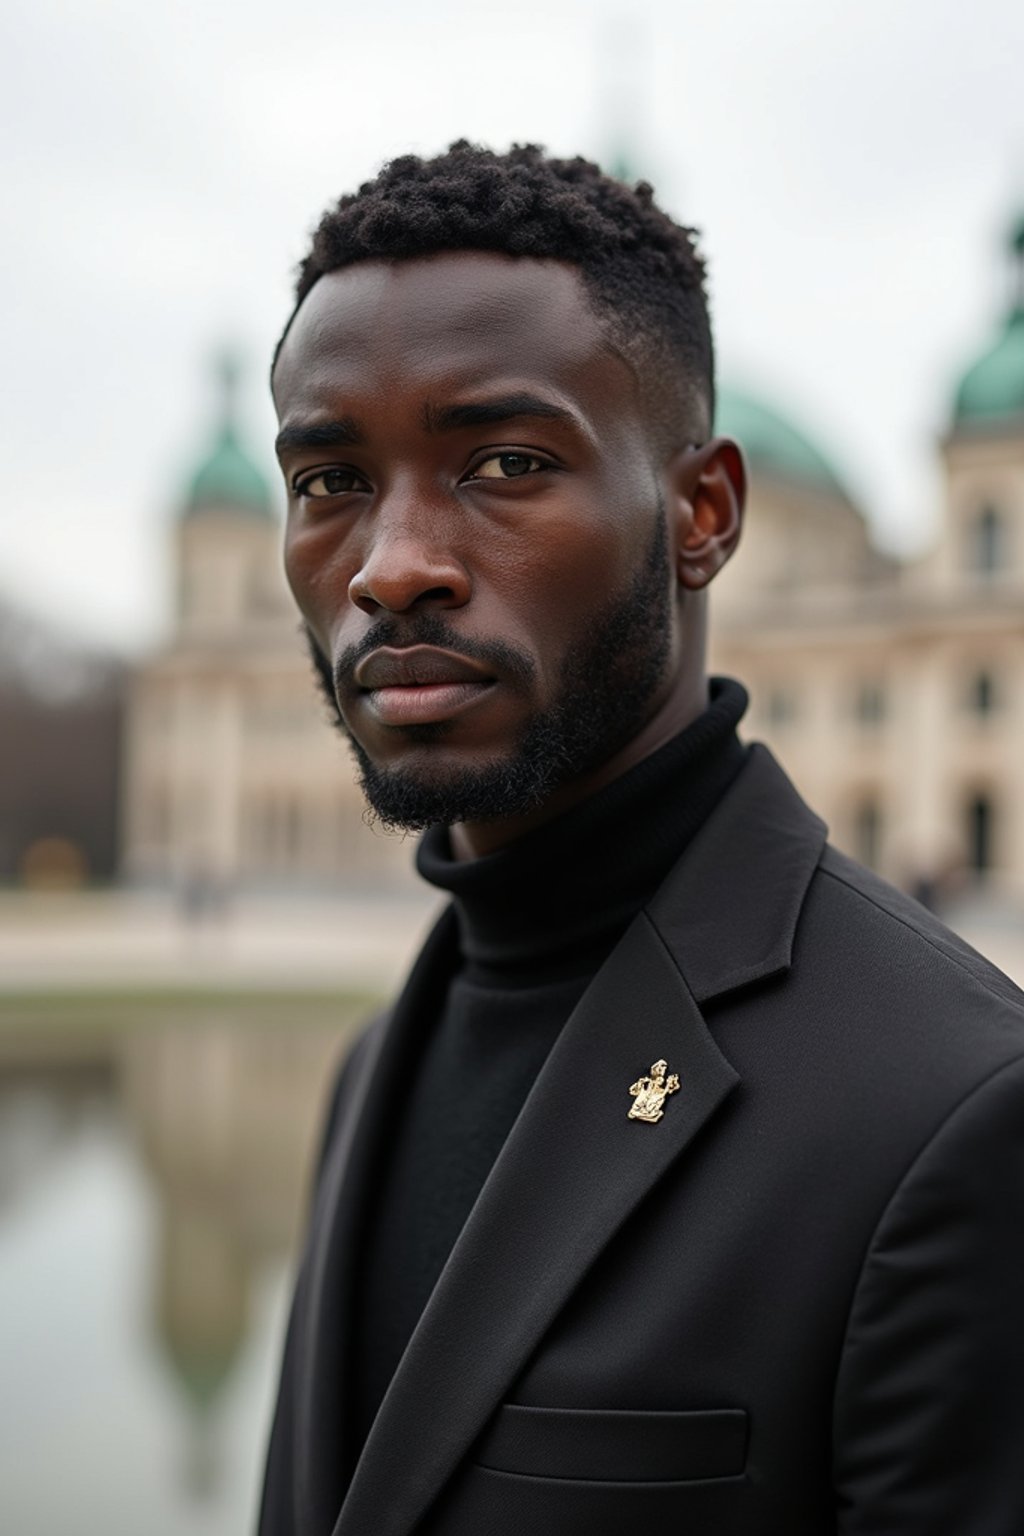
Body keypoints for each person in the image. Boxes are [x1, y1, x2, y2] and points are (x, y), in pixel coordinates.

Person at [260, 143, 1024, 1536]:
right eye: (330, 479)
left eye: (504, 461)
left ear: (706, 516)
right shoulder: (378, 1060)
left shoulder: (960, 1109)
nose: (390, 563)